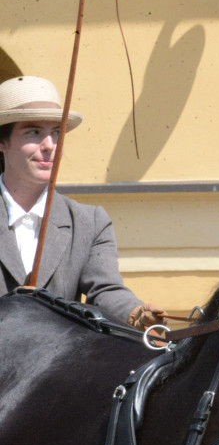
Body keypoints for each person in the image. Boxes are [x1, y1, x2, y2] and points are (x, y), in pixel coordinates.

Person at [0, 75, 164, 329]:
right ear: (2, 142)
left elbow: (105, 290)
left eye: (56, 133)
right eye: (33, 132)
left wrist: (134, 312)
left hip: (53, 366)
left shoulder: (90, 221)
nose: (50, 145)